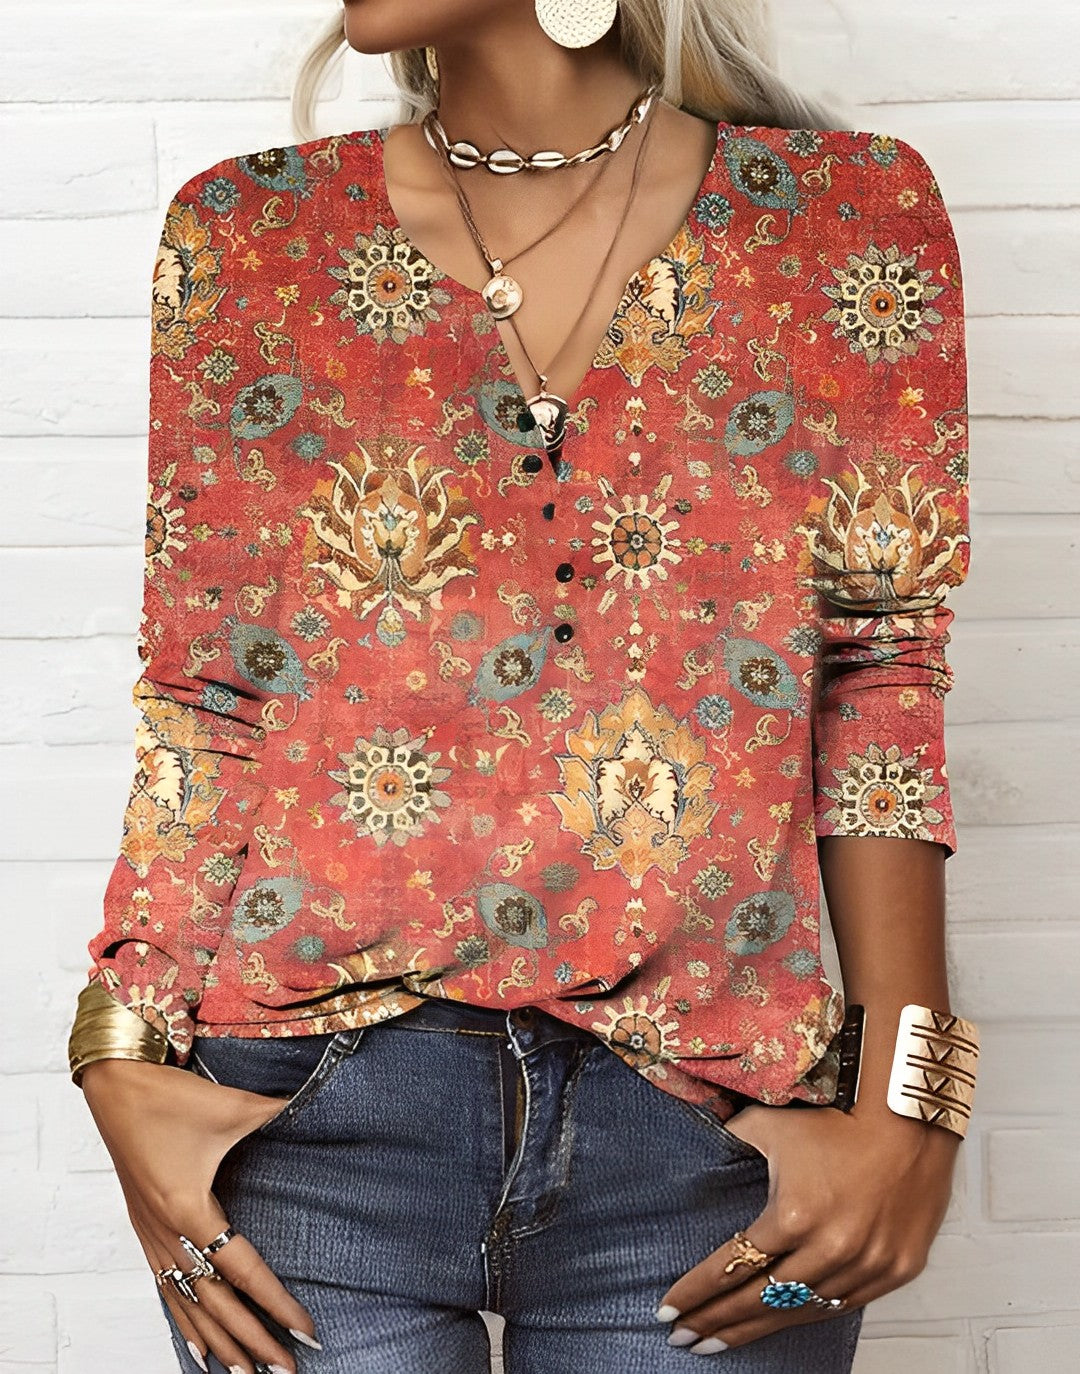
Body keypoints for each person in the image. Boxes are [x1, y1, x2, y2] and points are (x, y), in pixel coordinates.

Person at [67, 3, 980, 1371]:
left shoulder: (846, 220)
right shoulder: (251, 232)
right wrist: (118, 1055)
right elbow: (209, 695)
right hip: (305, 1130)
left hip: (707, 1134)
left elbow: (878, 674)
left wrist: (913, 1109)